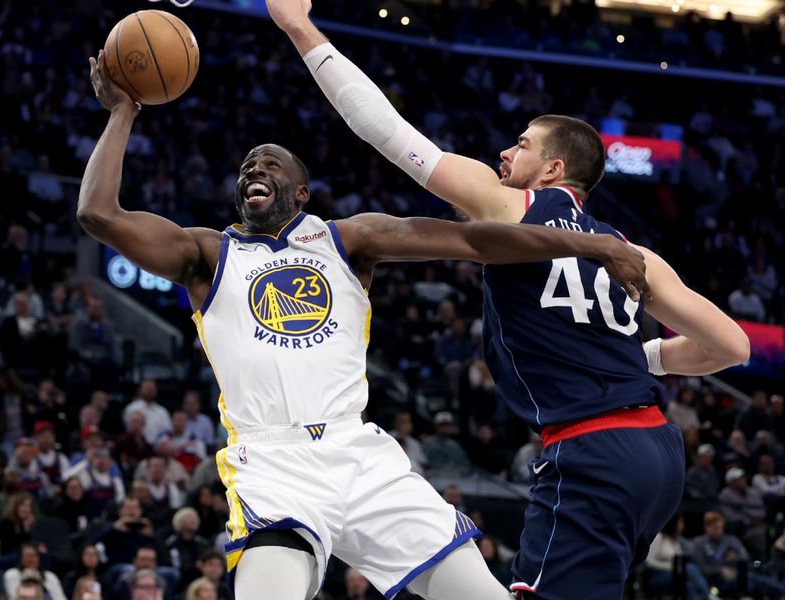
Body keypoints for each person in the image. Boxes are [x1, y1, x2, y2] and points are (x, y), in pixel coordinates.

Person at [80, 49, 650, 600]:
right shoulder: (207, 253)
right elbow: (99, 214)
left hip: (359, 453)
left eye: (270, 163)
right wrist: (123, 111)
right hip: (273, 464)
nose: (254, 168)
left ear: (300, 193)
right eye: (247, 165)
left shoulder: (347, 239)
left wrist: (590, 245)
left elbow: (474, 240)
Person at [266, 3, 752, 598]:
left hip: (589, 450)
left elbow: (387, 132)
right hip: (658, 455)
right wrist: (643, 357)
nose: (504, 154)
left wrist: (299, 27)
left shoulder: (514, 209)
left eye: (520, 145)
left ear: (551, 168)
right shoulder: (631, 252)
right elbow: (732, 346)